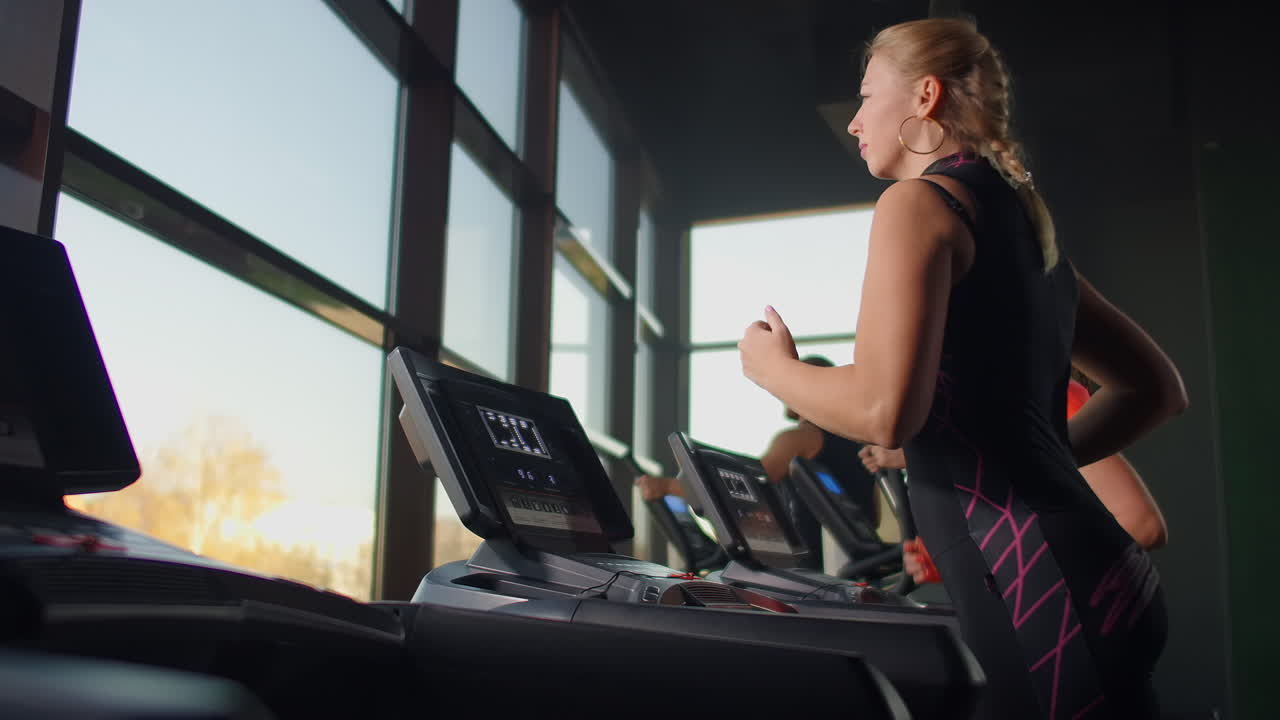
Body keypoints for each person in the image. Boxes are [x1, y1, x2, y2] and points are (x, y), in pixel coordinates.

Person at [736, 18, 1186, 720]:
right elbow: (1155, 390)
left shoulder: (917, 204)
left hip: (1042, 591)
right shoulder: (1024, 225)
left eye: (865, 96)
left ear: (924, 96)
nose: (855, 122)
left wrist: (769, 369)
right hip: (1098, 575)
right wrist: (1033, 461)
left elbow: (884, 410)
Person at [862, 372, 1170, 585]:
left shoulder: (1051, 399)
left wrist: (988, 563)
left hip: (1072, 628)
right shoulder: (989, 410)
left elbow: (1141, 525)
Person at [636, 355, 874, 570]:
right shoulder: (857, 440)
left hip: (807, 563)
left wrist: (667, 488)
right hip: (850, 556)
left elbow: (747, 488)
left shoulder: (800, 438)